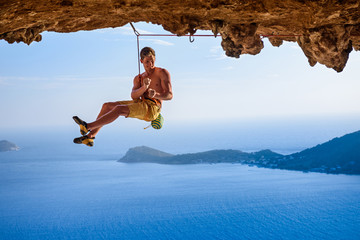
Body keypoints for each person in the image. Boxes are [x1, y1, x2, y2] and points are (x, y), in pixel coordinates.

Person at [73, 47, 173, 147]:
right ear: (141, 61)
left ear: (155, 59)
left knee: (119, 109)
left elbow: (169, 95)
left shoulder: (162, 72)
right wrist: (144, 87)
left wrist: (156, 94)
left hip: (152, 109)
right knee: (107, 106)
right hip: (141, 103)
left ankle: (88, 126)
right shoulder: (139, 78)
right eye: (147, 61)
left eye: (152, 60)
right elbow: (134, 96)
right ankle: (90, 137)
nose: (150, 64)